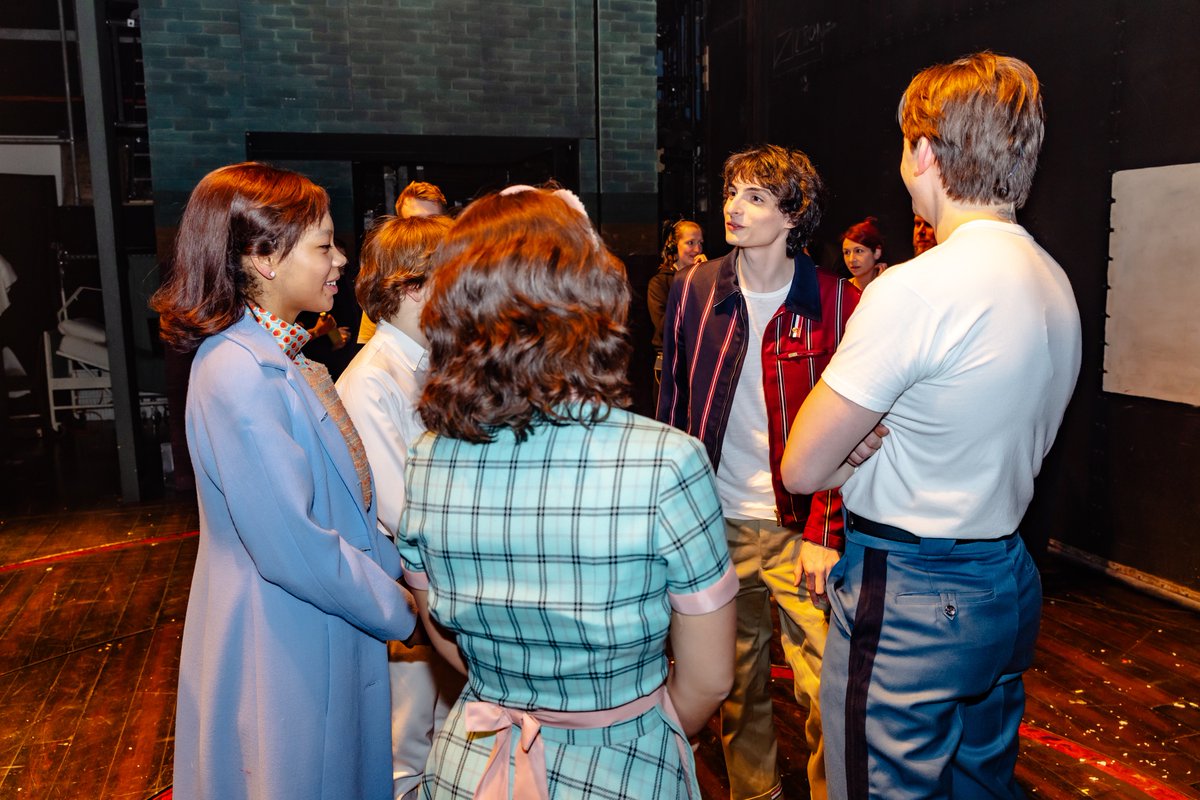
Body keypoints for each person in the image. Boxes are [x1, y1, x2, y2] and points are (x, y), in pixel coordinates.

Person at [781, 52, 1081, 799]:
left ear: (923, 152)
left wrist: (851, 455)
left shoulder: (915, 290)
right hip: (1003, 583)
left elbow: (799, 469)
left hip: (913, 594)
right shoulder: (1054, 282)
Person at [398, 185, 738, 799]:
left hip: (471, 765)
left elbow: (448, 643)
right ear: (594, 296)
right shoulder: (666, 461)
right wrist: (630, 730)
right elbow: (710, 678)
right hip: (622, 769)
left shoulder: (427, 459)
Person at [151, 162, 418, 800]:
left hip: (315, 626)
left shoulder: (278, 356)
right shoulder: (237, 372)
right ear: (265, 259)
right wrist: (402, 609)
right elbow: (295, 544)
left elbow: (346, 507)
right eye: (324, 245)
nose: (341, 260)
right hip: (282, 645)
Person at [658, 144, 859, 800]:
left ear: (793, 215)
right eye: (731, 192)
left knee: (823, 686)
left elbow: (853, 438)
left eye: (753, 197)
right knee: (736, 683)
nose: (732, 208)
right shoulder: (695, 289)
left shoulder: (837, 303)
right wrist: (675, 516)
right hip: (716, 521)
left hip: (802, 527)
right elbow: (675, 409)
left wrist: (825, 533)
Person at [335, 214, 464, 800]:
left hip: (436, 582)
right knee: (408, 746)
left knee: (443, 737)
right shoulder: (371, 380)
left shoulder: (424, 364)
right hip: (407, 590)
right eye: (451, 278)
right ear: (411, 287)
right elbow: (402, 507)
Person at [359, 181, 448, 344]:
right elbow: (370, 347)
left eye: (431, 221)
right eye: (414, 222)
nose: (423, 231)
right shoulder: (385, 282)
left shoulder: (456, 273)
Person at [648, 219, 706, 379]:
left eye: (700, 243)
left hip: (699, 364)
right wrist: (687, 284)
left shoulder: (704, 280)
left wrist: (705, 279)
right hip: (671, 367)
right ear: (674, 246)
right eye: (690, 242)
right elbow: (664, 327)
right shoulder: (659, 283)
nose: (697, 249)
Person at [840, 217, 888, 292]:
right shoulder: (841, 291)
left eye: (859, 251)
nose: (851, 259)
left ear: (877, 252)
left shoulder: (890, 288)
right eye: (847, 252)